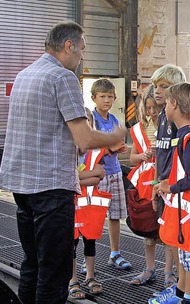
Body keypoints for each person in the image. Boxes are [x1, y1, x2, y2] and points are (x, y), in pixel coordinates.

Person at [0, 21, 127, 304]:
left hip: (22, 186)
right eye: (82, 49)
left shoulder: (25, 74)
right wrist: (114, 135)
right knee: (54, 271)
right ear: (68, 46)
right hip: (51, 188)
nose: (83, 56)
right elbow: (83, 138)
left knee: (32, 264)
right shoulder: (62, 77)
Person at [151, 83, 190, 304]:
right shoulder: (187, 134)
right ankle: (185, 296)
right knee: (187, 260)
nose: (164, 108)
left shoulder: (188, 137)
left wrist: (169, 187)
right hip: (186, 212)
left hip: (189, 214)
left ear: (174, 104)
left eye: (166, 103)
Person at [150, 64, 187, 300]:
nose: (157, 91)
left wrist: (170, 185)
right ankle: (174, 279)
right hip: (162, 187)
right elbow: (160, 155)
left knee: (177, 239)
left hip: (175, 188)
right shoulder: (162, 116)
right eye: (155, 86)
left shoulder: (177, 120)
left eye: (163, 86)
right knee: (167, 235)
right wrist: (155, 184)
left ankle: (182, 286)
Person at [90, 78, 132, 272]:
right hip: (97, 175)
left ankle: (115, 252)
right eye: (102, 96)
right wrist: (110, 148)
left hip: (114, 172)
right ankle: (88, 258)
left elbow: (116, 143)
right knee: (94, 216)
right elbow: (89, 147)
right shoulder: (91, 119)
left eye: (110, 97)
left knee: (114, 215)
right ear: (94, 98)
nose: (107, 100)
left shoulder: (114, 120)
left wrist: (118, 148)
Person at [68, 108, 109, 300]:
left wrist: (77, 177)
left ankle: (90, 276)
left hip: (89, 207)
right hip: (70, 206)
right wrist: (86, 175)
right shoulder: (66, 149)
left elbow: (98, 177)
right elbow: (70, 177)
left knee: (90, 240)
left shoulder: (95, 153)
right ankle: (72, 279)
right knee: (72, 243)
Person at [129, 85, 163, 286]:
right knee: (147, 228)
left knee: (165, 231)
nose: (152, 112)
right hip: (144, 183)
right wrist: (142, 156)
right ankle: (150, 269)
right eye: (148, 108)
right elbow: (132, 158)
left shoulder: (169, 126)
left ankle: (169, 273)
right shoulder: (138, 129)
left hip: (163, 181)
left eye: (155, 108)